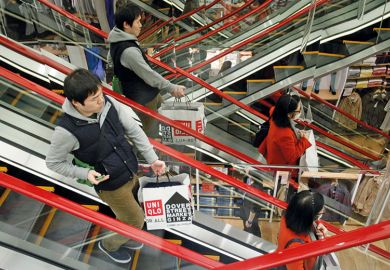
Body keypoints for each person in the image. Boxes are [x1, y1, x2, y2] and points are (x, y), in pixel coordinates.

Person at [45, 69, 167, 264]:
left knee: (131, 214)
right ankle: (109, 245)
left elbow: (134, 130)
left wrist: (152, 158)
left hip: (129, 169)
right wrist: (84, 172)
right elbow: (53, 162)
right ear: (76, 102)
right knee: (136, 219)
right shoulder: (66, 131)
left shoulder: (109, 103)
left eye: (100, 94)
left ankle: (126, 234)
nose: (101, 101)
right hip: (110, 186)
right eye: (94, 99)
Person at [108, 4, 185, 138]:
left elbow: (110, 62)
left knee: (163, 118)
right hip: (144, 99)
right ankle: (148, 157)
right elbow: (148, 74)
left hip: (147, 93)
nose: (141, 25)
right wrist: (171, 87)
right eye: (138, 21)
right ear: (126, 24)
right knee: (150, 134)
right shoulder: (129, 51)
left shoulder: (116, 41)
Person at [277, 190, 327, 270]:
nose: (323, 211)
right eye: (319, 213)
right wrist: (321, 241)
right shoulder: (295, 247)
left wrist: (320, 234)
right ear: (310, 217)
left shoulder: (288, 216)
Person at [259, 94, 311, 166]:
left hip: (273, 151)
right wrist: (304, 140)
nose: (300, 112)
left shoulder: (275, 112)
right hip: (281, 164)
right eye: (298, 110)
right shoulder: (285, 134)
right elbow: (291, 157)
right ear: (289, 114)